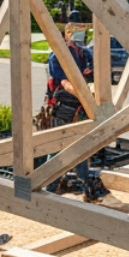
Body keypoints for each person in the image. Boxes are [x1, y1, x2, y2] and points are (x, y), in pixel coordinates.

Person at [42, 12, 108, 203]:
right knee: (58, 147)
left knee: (81, 146)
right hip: (63, 106)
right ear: (68, 34)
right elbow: (64, 83)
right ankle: (49, 186)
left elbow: (94, 72)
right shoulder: (58, 56)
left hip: (80, 107)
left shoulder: (82, 53)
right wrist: (84, 93)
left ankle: (85, 183)